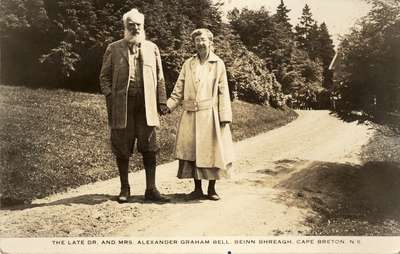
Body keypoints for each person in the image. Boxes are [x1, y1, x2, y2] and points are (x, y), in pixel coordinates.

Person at [99, 8, 170, 203]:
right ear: (125, 27)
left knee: (150, 146)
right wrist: (110, 97)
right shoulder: (114, 48)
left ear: (143, 26)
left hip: (146, 106)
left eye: (138, 25)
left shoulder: (152, 48)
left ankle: (151, 189)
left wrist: (162, 100)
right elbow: (104, 77)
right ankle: (125, 188)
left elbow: (160, 77)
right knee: (122, 147)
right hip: (123, 106)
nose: (135, 28)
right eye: (131, 25)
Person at [166, 28, 234, 201]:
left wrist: (224, 115)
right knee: (193, 152)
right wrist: (168, 106)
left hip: (210, 115)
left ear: (211, 42)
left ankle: (211, 188)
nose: (200, 43)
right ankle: (197, 188)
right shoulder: (188, 64)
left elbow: (223, 90)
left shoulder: (218, 64)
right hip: (191, 115)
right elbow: (178, 89)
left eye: (203, 40)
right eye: (197, 41)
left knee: (212, 151)